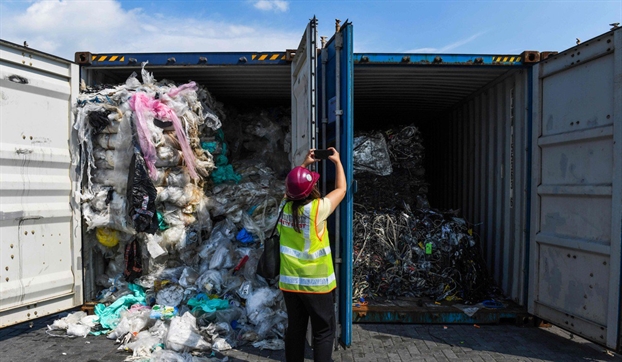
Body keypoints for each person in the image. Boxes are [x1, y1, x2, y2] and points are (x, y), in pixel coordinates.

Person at [277, 147, 347, 362]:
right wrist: (336, 161)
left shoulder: (283, 207)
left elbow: (291, 190)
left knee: (296, 330)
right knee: (323, 332)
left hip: (290, 283)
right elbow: (341, 189)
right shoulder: (317, 209)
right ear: (311, 188)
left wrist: (304, 165)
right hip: (317, 284)